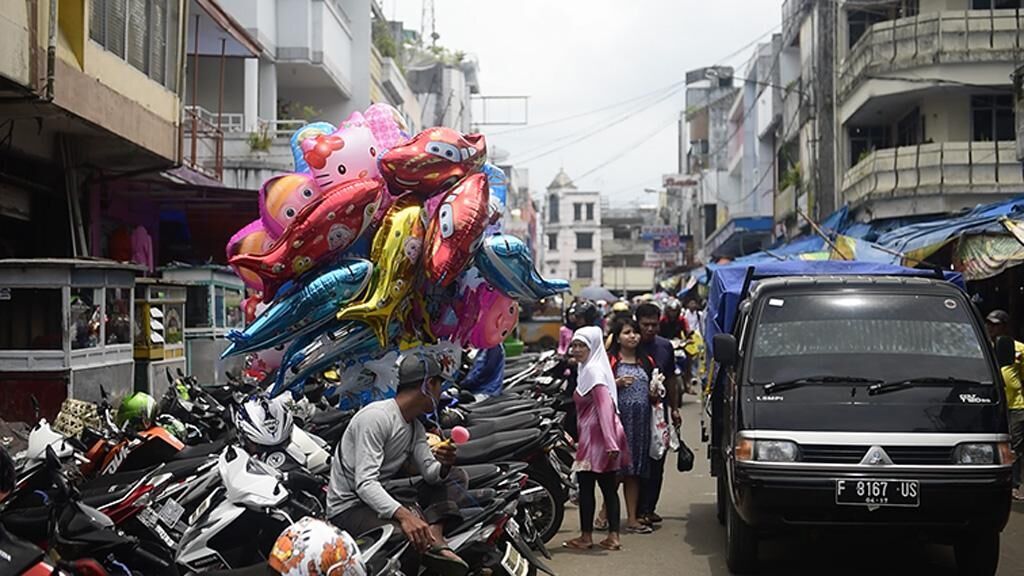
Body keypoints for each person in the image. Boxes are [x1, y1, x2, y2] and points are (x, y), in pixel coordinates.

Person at [328, 353, 468, 576]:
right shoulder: (376, 418)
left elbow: (432, 475)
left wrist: (444, 464)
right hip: (350, 507)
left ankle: (435, 533)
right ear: (428, 384)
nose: (440, 394)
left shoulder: (415, 428)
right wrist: (406, 516)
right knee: (404, 537)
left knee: (457, 476)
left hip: (378, 497)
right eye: (439, 386)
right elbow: (365, 484)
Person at [562, 326, 629, 552]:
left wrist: (610, 442)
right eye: (575, 345)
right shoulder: (588, 369)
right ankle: (612, 536)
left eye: (582, 346)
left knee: (590, 486)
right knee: (606, 487)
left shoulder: (594, 373)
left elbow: (604, 407)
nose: (577, 350)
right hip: (597, 437)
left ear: (594, 347)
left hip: (598, 439)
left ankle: (587, 536)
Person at [605, 318, 655, 534]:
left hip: (641, 422)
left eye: (635, 332)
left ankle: (632, 518)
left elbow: (653, 392)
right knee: (616, 471)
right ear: (617, 337)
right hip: (619, 420)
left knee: (634, 471)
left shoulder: (647, 361)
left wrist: (655, 393)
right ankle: (605, 512)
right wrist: (615, 384)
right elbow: (599, 391)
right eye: (627, 332)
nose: (633, 336)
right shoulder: (610, 361)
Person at [634, 302, 681, 526]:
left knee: (658, 460)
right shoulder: (629, 345)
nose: (650, 329)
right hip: (633, 412)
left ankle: (649, 508)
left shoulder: (665, 347)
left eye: (654, 324)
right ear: (638, 324)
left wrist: (675, 408)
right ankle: (636, 510)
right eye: (645, 325)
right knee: (638, 462)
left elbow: (671, 378)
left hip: (659, 413)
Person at [985, 309, 1024, 501]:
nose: (991, 328)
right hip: (991, 404)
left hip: (1015, 405)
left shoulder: (1019, 349)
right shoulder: (983, 347)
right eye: (989, 324)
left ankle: (1014, 484)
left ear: (1004, 326)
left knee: (1014, 447)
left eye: (995, 324)